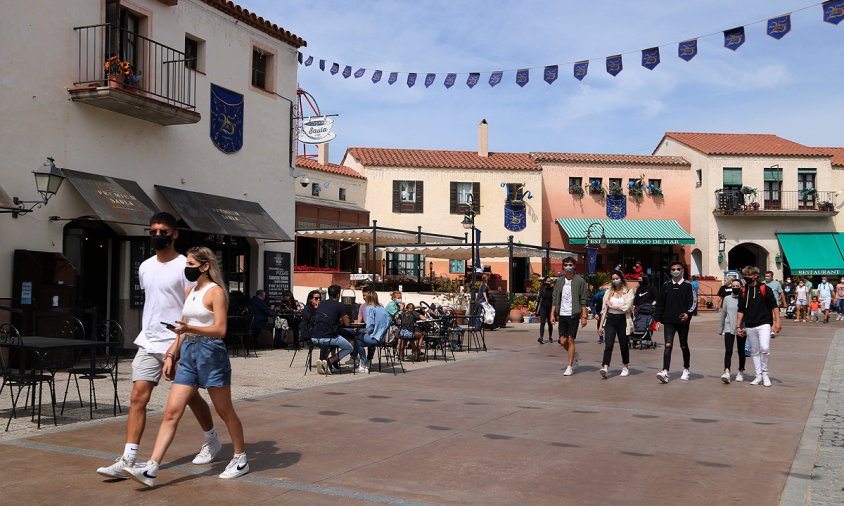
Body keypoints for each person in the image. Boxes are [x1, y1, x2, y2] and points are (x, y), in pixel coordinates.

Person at [96, 213, 219, 480]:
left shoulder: (183, 267)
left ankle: (211, 439)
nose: (157, 235)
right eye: (153, 231)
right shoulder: (145, 266)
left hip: (175, 343)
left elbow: (191, 310)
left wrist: (177, 346)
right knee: (137, 397)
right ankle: (128, 457)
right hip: (148, 340)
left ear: (175, 234)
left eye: (163, 231)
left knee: (189, 398)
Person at [125, 246, 248, 487]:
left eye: (191, 265)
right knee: (172, 412)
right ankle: (152, 467)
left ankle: (240, 458)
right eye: (187, 264)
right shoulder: (190, 290)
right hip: (189, 353)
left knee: (225, 411)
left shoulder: (216, 292)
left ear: (205, 266)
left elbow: (221, 330)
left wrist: (189, 329)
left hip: (211, 354)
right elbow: (183, 326)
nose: (187, 269)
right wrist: (172, 352)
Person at [736, 265, 781, 387]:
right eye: (745, 275)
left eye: (750, 275)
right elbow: (740, 310)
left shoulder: (764, 288)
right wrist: (738, 326)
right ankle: (758, 375)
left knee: (765, 348)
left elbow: (774, 306)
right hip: (750, 324)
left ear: (755, 275)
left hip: (764, 323)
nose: (747, 277)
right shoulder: (743, 291)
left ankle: (765, 373)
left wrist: (777, 322)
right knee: (754, 351)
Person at [654, 262, 696, 383]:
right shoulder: (666, 285)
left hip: (683, 321)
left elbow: (693, 302)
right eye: (673, 269)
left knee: (683, 345)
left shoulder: (688, 285)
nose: (675, 271)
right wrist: (657, 319)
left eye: (678, 269)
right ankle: (665, 371)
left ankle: (686, 369)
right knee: (668, 345)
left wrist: (688, 313)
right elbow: (660, 303)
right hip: (669, 320)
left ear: (682, 270)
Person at [550, 256, 590, 376]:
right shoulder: (560, 281)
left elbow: (583, 299)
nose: (568, 266)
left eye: (570, 264)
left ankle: (570, 366)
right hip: (562, 314)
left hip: (574, 314)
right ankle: (574, 355)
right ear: (563, 266)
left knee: (571, 339)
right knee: (562, 341)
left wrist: (584, 316)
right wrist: (552, 313)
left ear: (574, 266)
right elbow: (555, 298)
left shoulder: (580, 281)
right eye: (566, 264)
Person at [598, 271, 634, 379]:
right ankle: (605, 367)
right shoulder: (608, 291)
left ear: (621, 278)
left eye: (617, 278)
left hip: (622, 320)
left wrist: (612, 306)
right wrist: (600, 326)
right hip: (610, 320)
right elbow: (604, 309)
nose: (615, 280)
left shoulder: (628, 291)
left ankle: (625, 366)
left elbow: (627, 307)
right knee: (608, 344)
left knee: (623, 344)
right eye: (613, 278)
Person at [312, 284, 354, 374]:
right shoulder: (339, 305)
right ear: (338, 295)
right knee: (349, 347)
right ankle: (329, 362)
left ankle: (324, 361)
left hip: (314, 337)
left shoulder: (321, 303)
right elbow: (347, 323)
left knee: (334, 337)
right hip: (328, 338)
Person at [354, 292, 391, 373]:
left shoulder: (369, 308)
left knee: (357, 338)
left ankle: (363, 365)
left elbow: (370, 324)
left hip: (374, 339)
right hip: (383, 338)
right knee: (363, 335)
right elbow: (389, 321)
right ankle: (368, 360)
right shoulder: (382, 308)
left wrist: (368, 330)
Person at [718, 278, 745, 384]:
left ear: (741, 287)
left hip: (741, 327)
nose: (735, 288)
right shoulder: (727, 298)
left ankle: (741, 371)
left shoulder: (744, 298)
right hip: (729, 327)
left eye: (737, 286)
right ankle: (727, 372)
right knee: (728, 350)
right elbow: (723, 314)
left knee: (741, 351)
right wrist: (721, 328)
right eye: (733, 286)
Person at [536, 276, 555, 344]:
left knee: (550, 324)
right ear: (544, 282)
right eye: (548, 281)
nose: (549, 282)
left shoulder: (552, 289)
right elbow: (538, 300)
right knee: (542, 323)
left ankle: (550, 337)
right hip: (543, 308)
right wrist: (537, 310)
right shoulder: (541, 289)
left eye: (550, 281)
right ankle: (541, 337)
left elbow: (554, 300)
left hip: (550, 309)